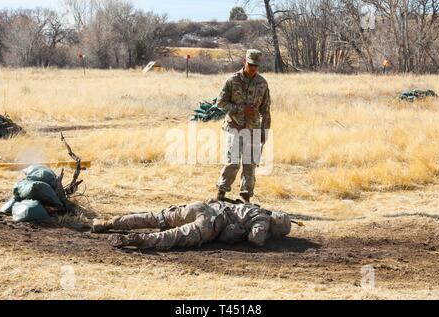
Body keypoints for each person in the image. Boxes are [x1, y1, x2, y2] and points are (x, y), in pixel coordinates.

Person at [91, 201, 291, 250]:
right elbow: (255, 239)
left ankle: (107, 223)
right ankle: (133, 240)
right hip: (209, 226)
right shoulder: (262, 220)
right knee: (169, 237)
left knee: (152, 217)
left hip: (199, 207)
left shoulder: (251, 206)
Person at [215, 49, 271, 203]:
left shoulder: (262, 83)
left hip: (253, 129)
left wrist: (264, 132)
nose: (253, 68)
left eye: (256, 65)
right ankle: (221, 194)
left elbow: (266, 110)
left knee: (250, 164)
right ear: (244, 62)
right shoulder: (232, 81)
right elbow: (220, 103)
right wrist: (240, 109)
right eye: (250, 64)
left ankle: (245, 196)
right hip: (234, 126)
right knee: (232, 162)